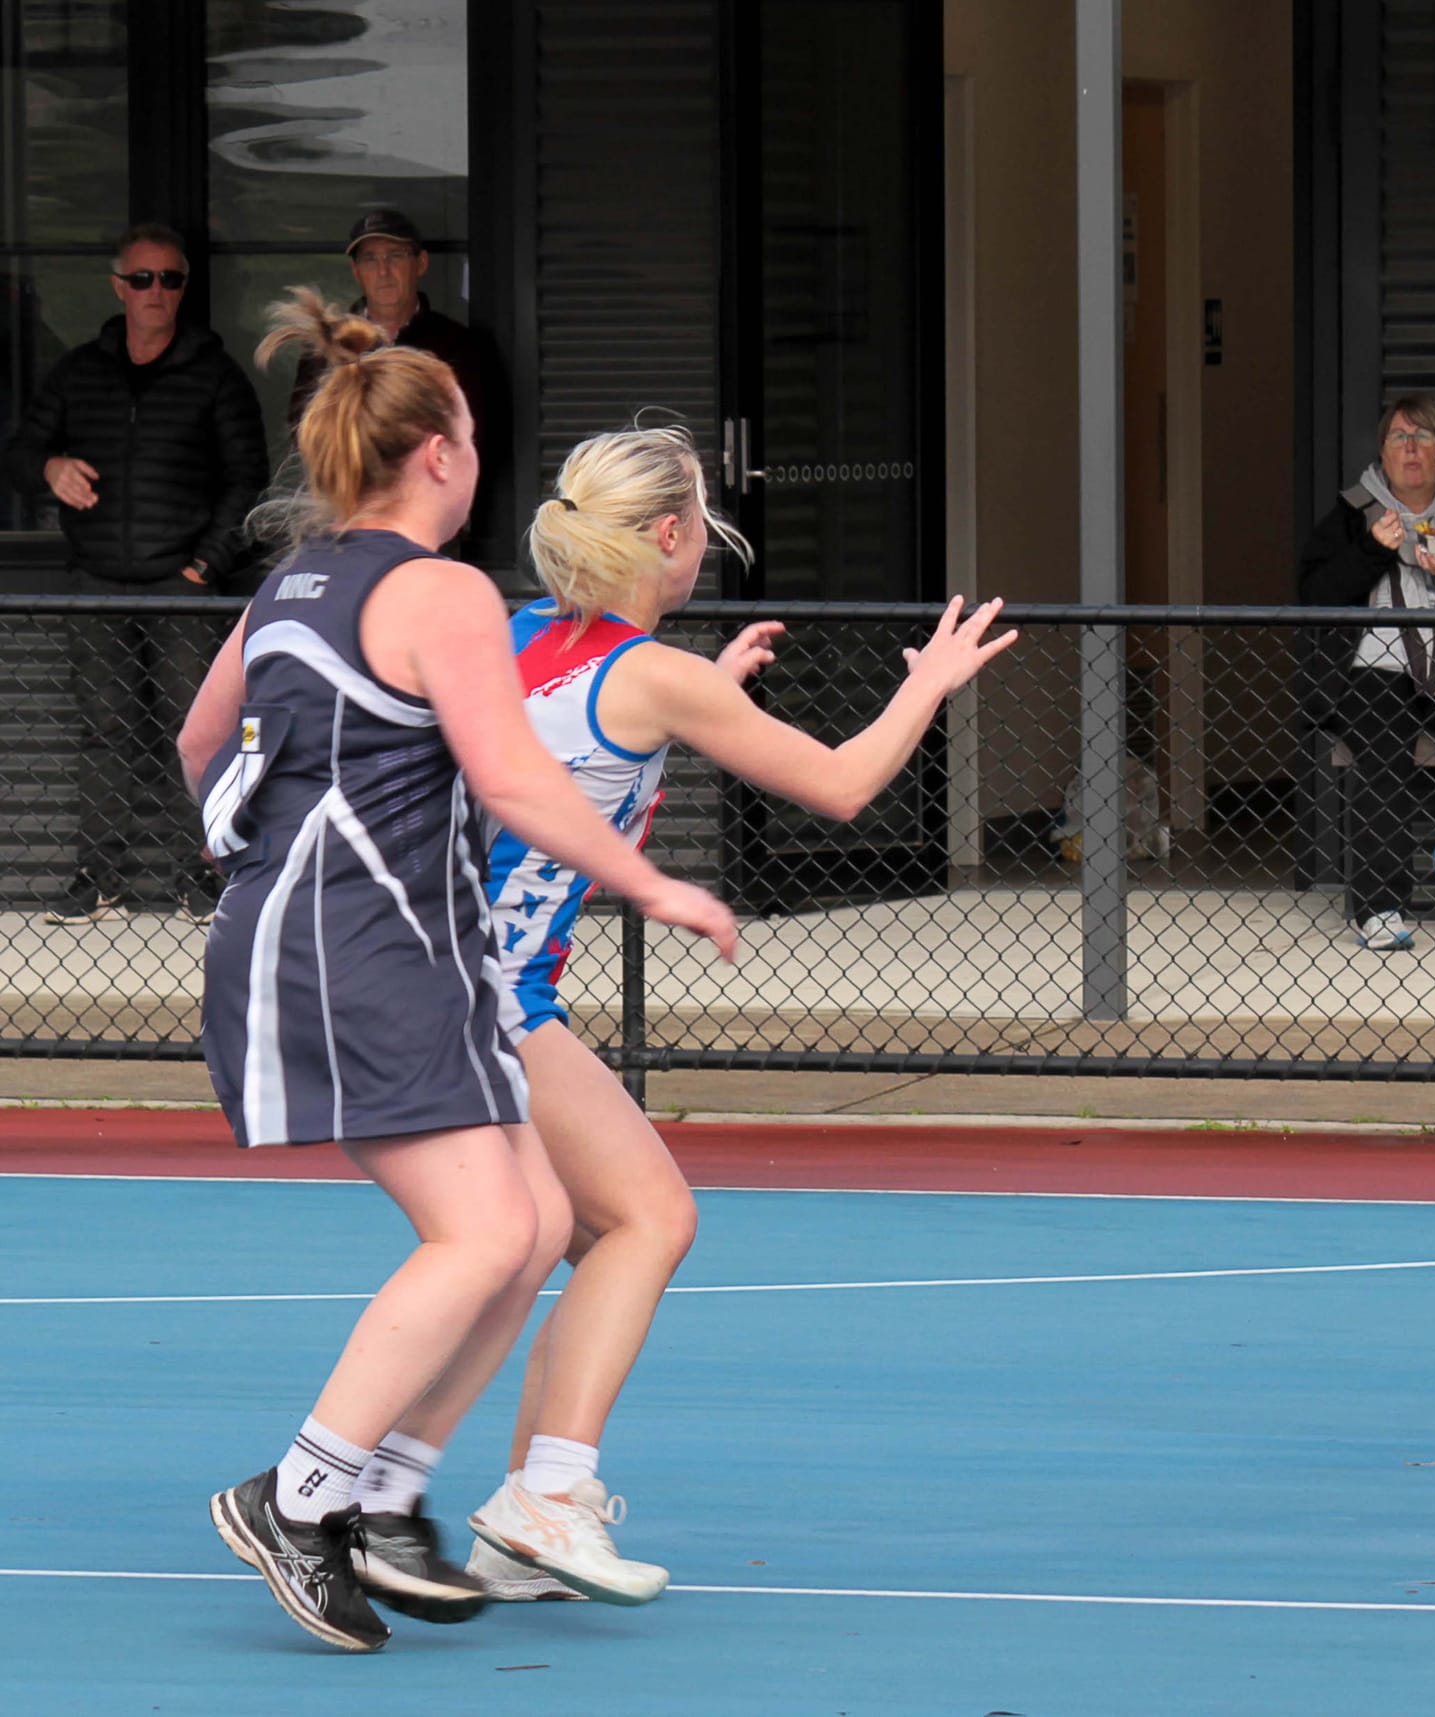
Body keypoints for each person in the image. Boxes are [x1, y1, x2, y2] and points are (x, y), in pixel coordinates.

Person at [330, 423, 1010, 1605]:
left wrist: (714, 693)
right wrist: (924, 685)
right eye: (702, 522)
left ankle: (510, 1511)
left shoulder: (519, 633)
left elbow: (566, 737)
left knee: (589, 1240)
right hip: (495, 993)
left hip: (431, 972)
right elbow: (843, 784)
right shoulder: (653, 677)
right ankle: (526, 1489)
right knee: (651, 1219)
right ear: (667, 536)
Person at [182, 290, 737, 1652]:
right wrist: (652, 879)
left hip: (329, 933)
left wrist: (267, 853)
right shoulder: (440, 591)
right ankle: (301, 1493)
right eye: (476, 432)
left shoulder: (294, 581)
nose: (482, 453)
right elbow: (514, 779)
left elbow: (202, 745)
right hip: (365, 945)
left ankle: (380, 1499)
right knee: (489, 1230)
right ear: (439, 451)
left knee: (538, 1221)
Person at [3, 222, 269, 924]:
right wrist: (49, 468)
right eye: (144, 279)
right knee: (104, 734)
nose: (158, 292)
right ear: (120, 287)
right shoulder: (79, 372)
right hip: (95, 583)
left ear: (183, 289)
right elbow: (21, 450)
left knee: (200, 732)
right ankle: (99, 877)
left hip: (182, 587)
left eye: (171, 279)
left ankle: (205, 874)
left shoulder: (215, 375)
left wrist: (204, 565)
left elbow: (249, 481)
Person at [1297, 393, 1435, 950]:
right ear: (1382, 449)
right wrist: (1372, 552)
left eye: (1424, 436)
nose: (1411, 448)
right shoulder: (1353, 512)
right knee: (1382, 758)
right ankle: (1379, 905)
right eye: (1399, 437)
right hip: (1370, 668)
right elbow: (1314, 594)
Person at [286, 209, 505, 543]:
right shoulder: (329, 344)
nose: (383, 271)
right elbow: (305, 432)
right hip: (347, 519)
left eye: (395, 256)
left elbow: (475, 438)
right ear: (356, 272)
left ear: (421, 263)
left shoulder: (459, 345)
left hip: (432, 522)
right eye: (371, 259)